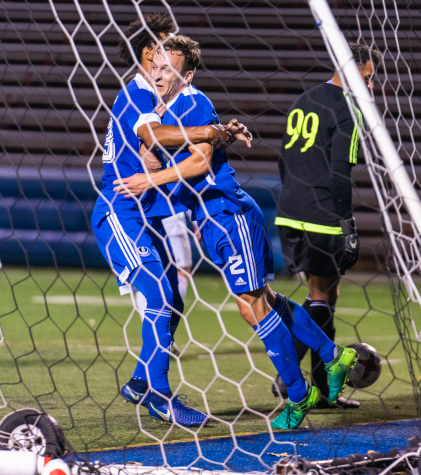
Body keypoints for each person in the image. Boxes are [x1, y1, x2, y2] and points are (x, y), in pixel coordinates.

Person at [113, 35, 358, 430]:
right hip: (210, 218)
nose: (158, 75)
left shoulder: (192, 102)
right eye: (155, 67)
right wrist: (218, 131)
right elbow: (172, 140)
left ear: (186, 74)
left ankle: (298, 395)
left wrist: (151, 179)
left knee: (252, 306)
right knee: (266, 299)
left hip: (228, 214)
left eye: (168, 69)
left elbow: (200, 163)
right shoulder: (168, 106)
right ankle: (333, 355)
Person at [91, 13, 251, 427]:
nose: (167, 57)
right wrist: (211, 132)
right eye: (162, 48)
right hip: (120, 209)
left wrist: (220, 132)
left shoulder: (164, 97)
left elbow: (183, 133)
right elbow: (156, 136)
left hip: (147, 214)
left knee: (173, 299)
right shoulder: (137, 94)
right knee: (160, 295)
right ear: (147, 54)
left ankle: (141, 382)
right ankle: (160, 397)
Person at [273, 43, 382, 408]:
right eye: (367, 77)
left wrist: (292, 194)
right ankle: (289, 376)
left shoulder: (304, 99)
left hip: (289, 206)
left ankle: (321, 389)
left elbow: (282, 158)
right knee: (322, 296)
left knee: (325, 295)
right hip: (320, 211)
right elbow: (340, 174)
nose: (370, 86)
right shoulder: (348, 109)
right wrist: (347, 223)